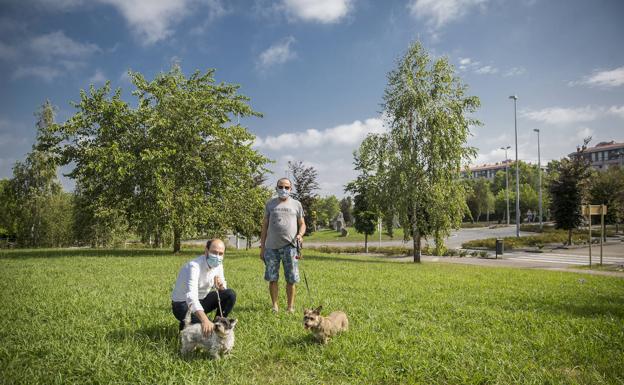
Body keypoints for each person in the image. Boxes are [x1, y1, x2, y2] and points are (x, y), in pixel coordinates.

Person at [171, 238, 236, 335]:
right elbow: (191, 297)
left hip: (202, 300)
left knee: (230, 294)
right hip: (182, 304)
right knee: (206, 325)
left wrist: (221, 286)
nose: (217, 256)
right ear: (206, 251)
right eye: (214, 252)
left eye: (220, 254)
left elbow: (223, 287)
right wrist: (205, 320)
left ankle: (217, 324)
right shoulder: (194, 266)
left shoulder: (218, 264)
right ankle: (186, 325)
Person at [260, 177, 306, 313]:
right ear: (276, 188)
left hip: (290, 247)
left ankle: (290, 307)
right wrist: (262, 248)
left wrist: (300, 235)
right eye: (280, 187)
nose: (283, 190)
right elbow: (264, 226)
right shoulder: (270, 204)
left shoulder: (297, 205)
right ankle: (275, 306)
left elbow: (302, 224)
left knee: (291, 279)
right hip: (271, 247)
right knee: (272, 278)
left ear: (291, 189)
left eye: (286, 187)